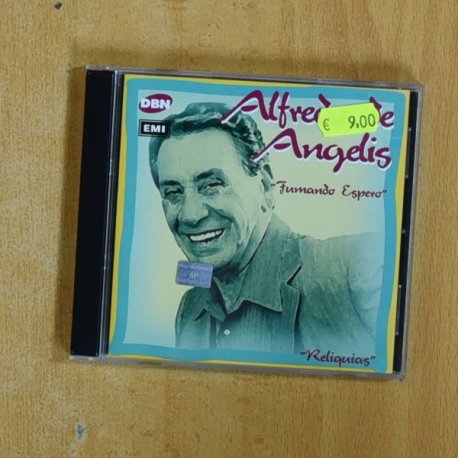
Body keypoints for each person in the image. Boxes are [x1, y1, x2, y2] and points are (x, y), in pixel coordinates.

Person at [149, 103, 383, 355]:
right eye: (173, 192)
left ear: (265, 186)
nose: (191, 215)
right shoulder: (190, 309)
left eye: (212, 184)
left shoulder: (356, 267)